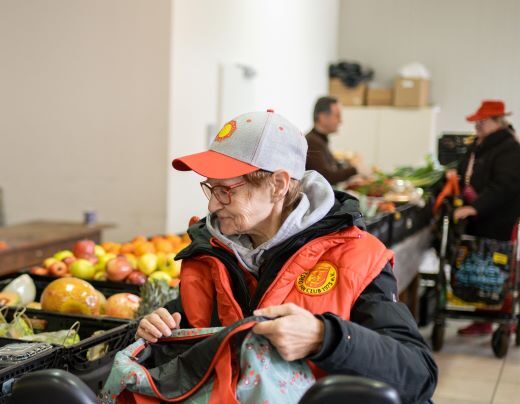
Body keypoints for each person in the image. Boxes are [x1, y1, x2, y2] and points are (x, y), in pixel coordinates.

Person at [137, 110, 437, 403]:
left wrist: (325, 337)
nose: (213, 206)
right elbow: (195, 345)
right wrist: (162, 333)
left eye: (226, 191)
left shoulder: (359, 258)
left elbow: (418, 374)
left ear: (278, 185)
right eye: (210, 188)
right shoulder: (207, 254)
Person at [452, 100, 520, 337]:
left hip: (499, 219)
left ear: (497, 121)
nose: (478, 125)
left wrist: (475, 208)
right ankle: (483, 318)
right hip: (480, 219)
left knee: (500, 266)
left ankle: (504, 317)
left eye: (482, 121)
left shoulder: (510, 148)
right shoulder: (482, 145)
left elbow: (505, 185)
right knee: (478, 266)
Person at [306, 96, 359, 185]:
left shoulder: (319, 140)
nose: (341, 121)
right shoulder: (312, 142)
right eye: (337, 116)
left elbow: (331, 168)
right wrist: (356, 169)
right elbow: (325, 177)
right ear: (322, 117)